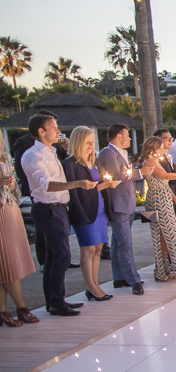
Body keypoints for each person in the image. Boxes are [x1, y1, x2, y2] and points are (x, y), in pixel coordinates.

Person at [21, 114, 98, 316]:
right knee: (61, 256)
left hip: (59, 208)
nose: (58, 131)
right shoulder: (34, 155)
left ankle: (56, 300)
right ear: (41, 131)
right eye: (54, 127)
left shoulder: (51, 152)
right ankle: (55, 301)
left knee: (56, 256)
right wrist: (78, 184)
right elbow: (46, 184)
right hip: (47, 208)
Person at [96, 123, 154, 296]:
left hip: (126, 202)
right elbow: (116, 176)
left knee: (117, 242)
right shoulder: (108, 153)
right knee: (125, 244)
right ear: (118, 136)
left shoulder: (121, 153)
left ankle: (119, 276)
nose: (129, 138)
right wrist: (140, 172)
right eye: (127, 135)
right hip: (118, 203)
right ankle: (133, 279)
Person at [62, 126, 117, 301]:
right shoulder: (71, 164)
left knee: (98, 248)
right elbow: (74, 192)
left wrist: (107, 186)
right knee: (87, 249)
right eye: (87, 142)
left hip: (98, 208)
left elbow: (94, 189)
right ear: (78, 142)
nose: (90, 145)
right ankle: (91, 286)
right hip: (83, 210)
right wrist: (78, 213)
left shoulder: (94, 163)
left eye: (92, 142)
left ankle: (95, 284)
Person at [140, 136, 176, 282]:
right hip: (157, 200)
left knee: (167, 235)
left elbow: (165, 183)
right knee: (161, 235)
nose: (162, 150)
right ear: (152, 148)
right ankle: (160, 270)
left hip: (164, 198)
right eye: (159, 147)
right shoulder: (150, 162)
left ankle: (166, 268)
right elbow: (165, 176)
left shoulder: (158, 161)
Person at [0, 130, 39, 326]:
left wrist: (13, 184)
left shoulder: (6, 158)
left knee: (9, 263)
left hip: (10, 209)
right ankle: (21, 307)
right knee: (7, 264)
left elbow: (16, 190)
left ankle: (3, 311)